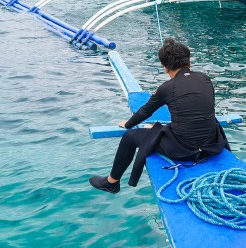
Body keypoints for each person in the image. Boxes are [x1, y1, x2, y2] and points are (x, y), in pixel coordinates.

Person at [89, 39, 229, 194]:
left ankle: (111, 182)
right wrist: (161, 128)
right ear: (189, 61)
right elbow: (193, 114)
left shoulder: (166, 88)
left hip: (186, 150)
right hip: (211, 143)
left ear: (165, 68)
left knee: (129, 137)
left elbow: (145, 112)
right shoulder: (205, 79)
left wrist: (128, 124)